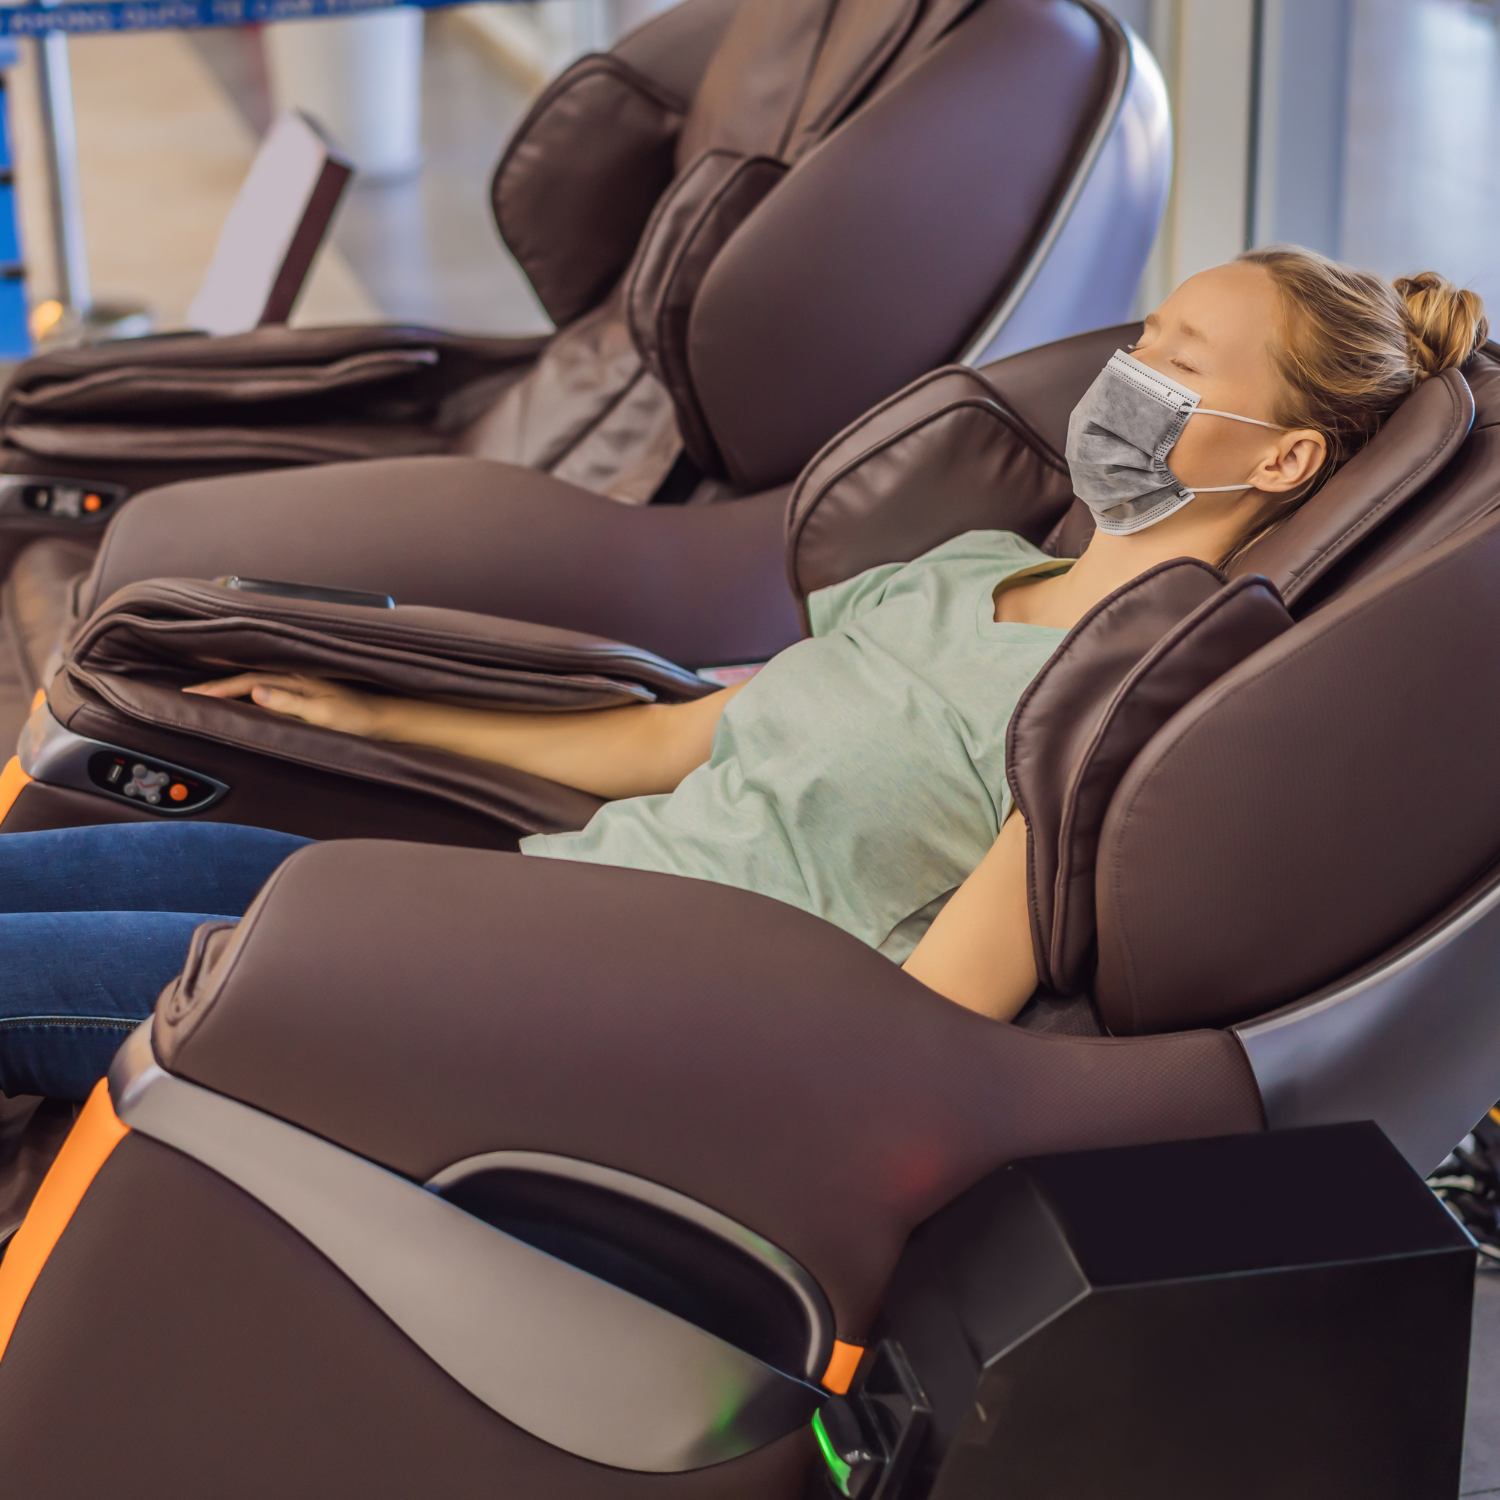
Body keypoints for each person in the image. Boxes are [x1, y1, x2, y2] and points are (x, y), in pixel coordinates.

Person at [0, 249, 1486, 1102]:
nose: (1127, 374)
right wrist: (380, 713)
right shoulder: (972, 566)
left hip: (553, 1009)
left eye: (1182, 361)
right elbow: (692, 738)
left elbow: (925, 1036)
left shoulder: (1114, 718)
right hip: (505, 898)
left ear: (1284, 458)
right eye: (1143, 336)